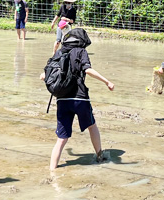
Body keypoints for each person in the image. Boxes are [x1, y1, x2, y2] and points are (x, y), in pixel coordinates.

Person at [42, 28, 114, 170]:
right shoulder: (81, 52)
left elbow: (44, 75)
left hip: (62, 100)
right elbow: (87, 70)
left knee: (61, 138)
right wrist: (107, 81)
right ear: (81, 41)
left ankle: (52, 170)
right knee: (91, 126)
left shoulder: (59, 52)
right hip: (80, 98)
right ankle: (100, 156)